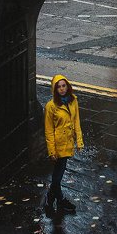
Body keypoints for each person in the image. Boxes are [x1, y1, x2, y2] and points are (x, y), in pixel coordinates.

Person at [44, 73, 83, 215]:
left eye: (63, 85)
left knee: (58, 173)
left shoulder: (73, 101)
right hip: (58, 145)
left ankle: (55, 198)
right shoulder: (51, 106)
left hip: (68, 143)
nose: (61, 89)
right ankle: (57, 198)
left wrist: (79, 141)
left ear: (67, 86)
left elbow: (76, 121)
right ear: (54, 89)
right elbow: (48, 130)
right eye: (58, 87)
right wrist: (51, 151)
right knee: (58, 175)